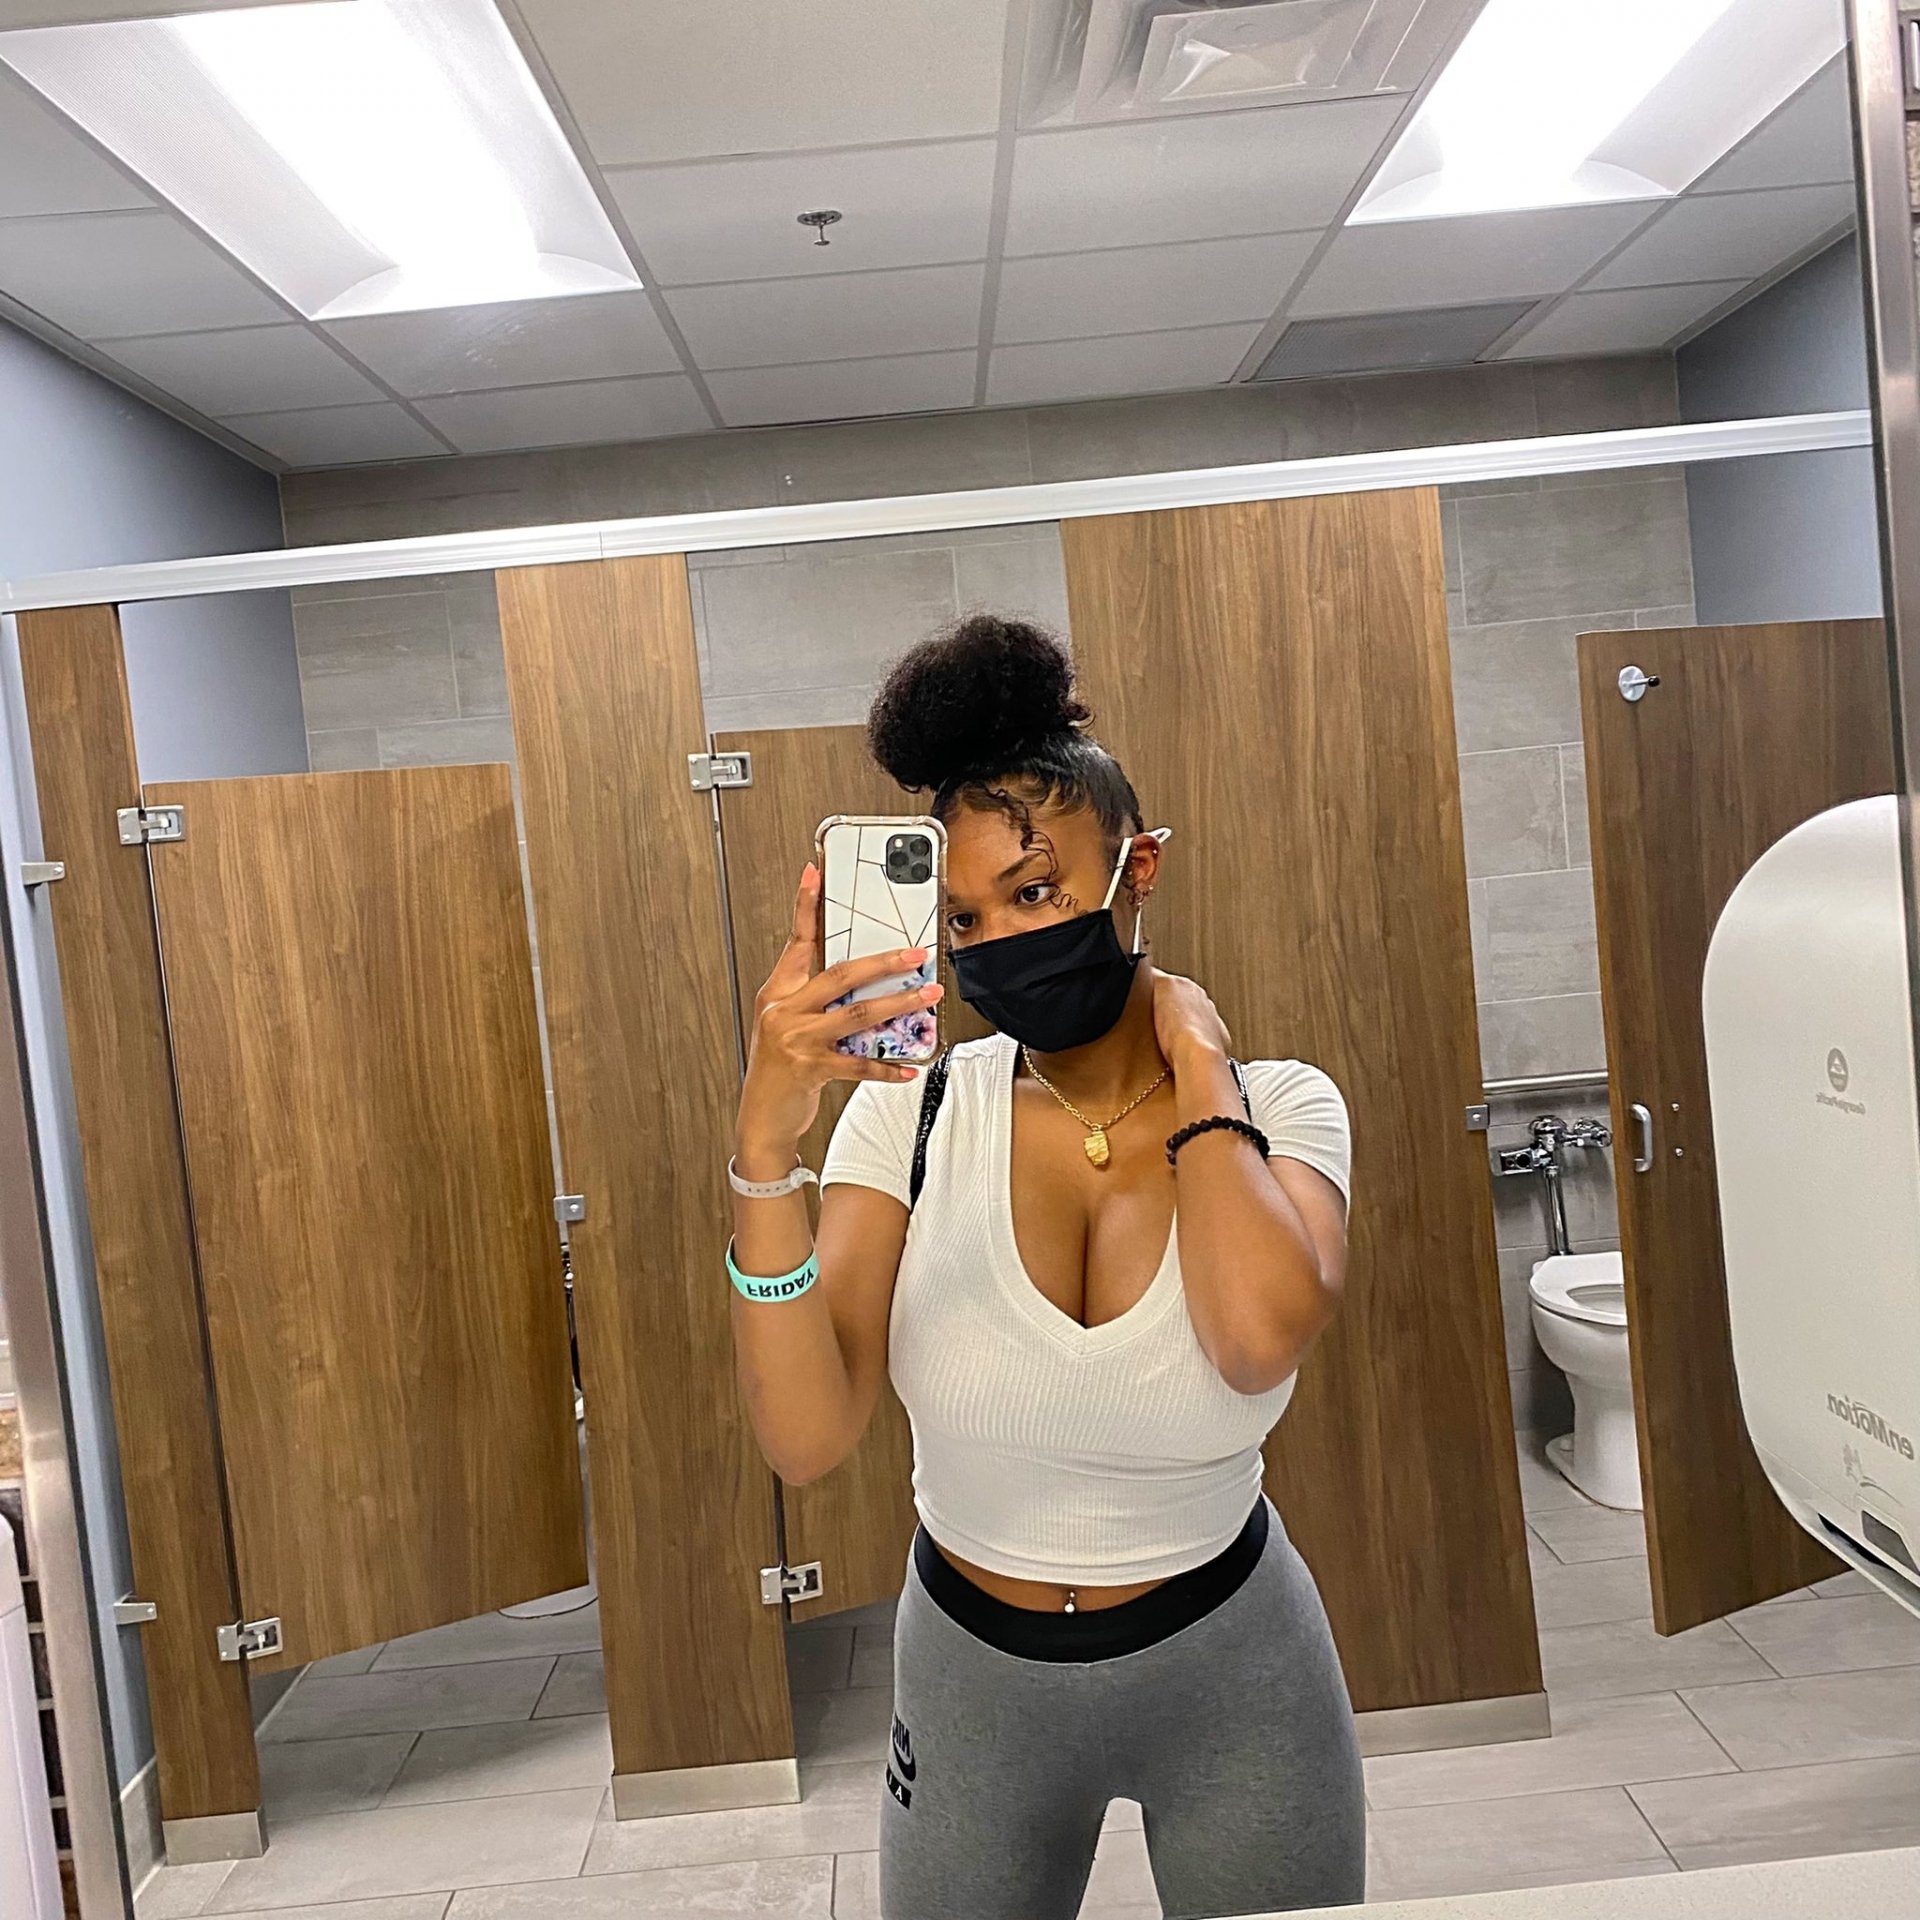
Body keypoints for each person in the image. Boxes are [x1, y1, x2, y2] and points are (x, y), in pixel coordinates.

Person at [726, 614, 1364, 1920]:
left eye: (1035, 893)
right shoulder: (908, 1118)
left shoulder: (1281, 1105)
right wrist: (763, 1148)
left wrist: (1198, 1060)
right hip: (974, 1685)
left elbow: (1256, 1337)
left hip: (1236, 1670)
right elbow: (805, 1436)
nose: (999, 940)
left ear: (1139, 869)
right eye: (963, 916)